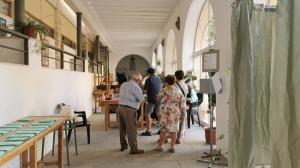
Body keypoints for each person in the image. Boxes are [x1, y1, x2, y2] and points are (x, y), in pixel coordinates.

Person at [154, 75, 183, 153]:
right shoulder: (178, 90)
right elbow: (180, 102)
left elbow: (157, 99)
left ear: (166, 82)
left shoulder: (163, 90)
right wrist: (179, 112)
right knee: (174, 130)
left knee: (164, 129)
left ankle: (160, 146)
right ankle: (172, 147)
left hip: (166, 111)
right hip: (175, 111)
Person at [117, 72, 144, 154]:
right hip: (129, 110)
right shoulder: (136, 86)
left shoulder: (124, 84)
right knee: (131, 130)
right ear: (138, 80)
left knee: (122, 129)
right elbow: (141, 99)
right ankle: (133, 148)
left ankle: (123, 145)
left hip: (120, 108)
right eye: (140, 81)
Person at [141, 68, 162, 136]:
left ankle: (149, 131)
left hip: (151, 98)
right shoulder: (159, 79)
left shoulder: (149, 79)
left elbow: (144, 89)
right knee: (158, 114)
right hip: (159, 98)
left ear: (148, 74)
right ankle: (162, 130)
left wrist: (141, 84)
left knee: (147, 114)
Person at [174, 70, 188, 144]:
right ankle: (178, 138)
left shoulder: (174, 85)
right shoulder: (185, 85)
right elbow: (186, 95)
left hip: (175, 106)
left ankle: (172, 137)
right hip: (183, 105)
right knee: (182, 122)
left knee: (174, 122)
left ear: (175, 76)